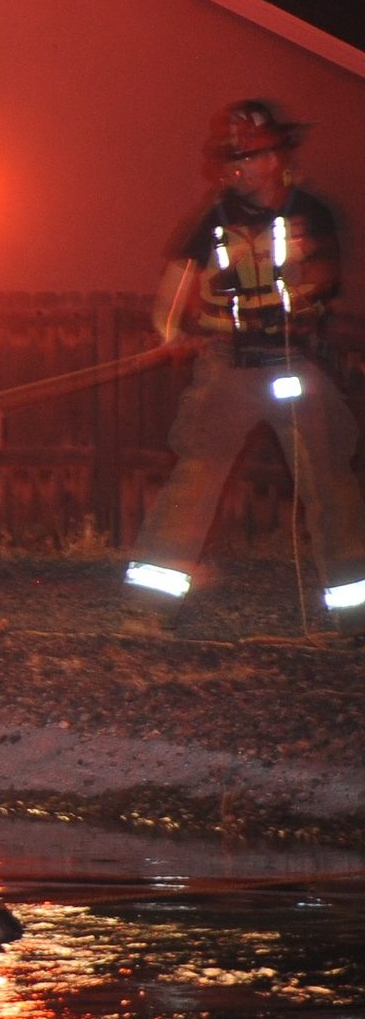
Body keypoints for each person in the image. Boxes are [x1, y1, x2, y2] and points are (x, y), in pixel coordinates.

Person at [125, 98, 365, 635]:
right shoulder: (211, 221)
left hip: (295, 364)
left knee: (332, 485)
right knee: (194, 480)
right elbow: (173, 290)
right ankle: (148, 612)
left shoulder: (313, 215)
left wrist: (282, 312)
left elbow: (323, 282)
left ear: (276, 158)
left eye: (250, 156)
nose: (239, 168)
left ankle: (357, 619)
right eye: (233, 158)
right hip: (226, 370)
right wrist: (169, 335)